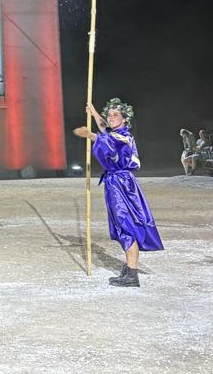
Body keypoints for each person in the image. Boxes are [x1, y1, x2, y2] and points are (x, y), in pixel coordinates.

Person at [74, 99, 163, 287]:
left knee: (126, 225)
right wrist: (94, 112)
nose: (111, 118)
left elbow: (108, 140)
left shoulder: (124, 137)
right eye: (109, 115)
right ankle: (130, 269)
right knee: (121, 225)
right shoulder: (115, 133)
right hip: (115, 182)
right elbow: (105, 128)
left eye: (115, 115)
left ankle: (132, 275)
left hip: (121, 184)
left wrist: (89, 135)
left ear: (125, 119)